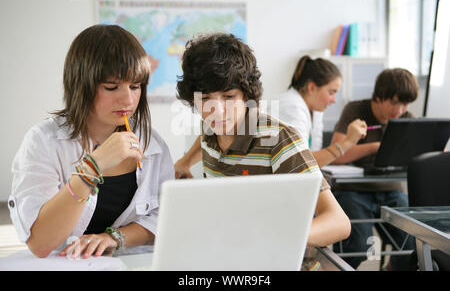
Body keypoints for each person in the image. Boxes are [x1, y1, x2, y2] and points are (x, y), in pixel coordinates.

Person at [8, 24, 174, 259]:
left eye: (135, 86)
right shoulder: (43, 142)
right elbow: (40, 243)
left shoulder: (152, 144)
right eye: (111, 87)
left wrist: (114, 237)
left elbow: (164, 218)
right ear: (81, 85)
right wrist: (92, 168)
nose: (128, 99)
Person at [175, 33, 351, 249]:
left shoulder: (278, 139)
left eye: (229, 97)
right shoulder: (211, 127)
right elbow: (205, 135)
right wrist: (184, 162)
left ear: (246, 95)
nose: (217, 111)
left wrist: (273, 238)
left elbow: (339, 223)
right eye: (204, 99)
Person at [330, 68, 419, 270]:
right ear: (379, 97)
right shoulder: (355, 110)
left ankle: (391, 268)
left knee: (414, 244)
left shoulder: (407, 118)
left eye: (405, 104)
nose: (400, 109)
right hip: (352, 191)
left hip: (391, 190)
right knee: (358, 247)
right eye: (394, 102)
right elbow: (337, 155)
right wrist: (376, 147)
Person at [272, 55, 367, 167]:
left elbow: (313, 156)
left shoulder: (313, 109)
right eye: (331, 92)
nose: (334, 100)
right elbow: (302, 163)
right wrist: (348, 142)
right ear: (311, 88)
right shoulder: (292, 107)